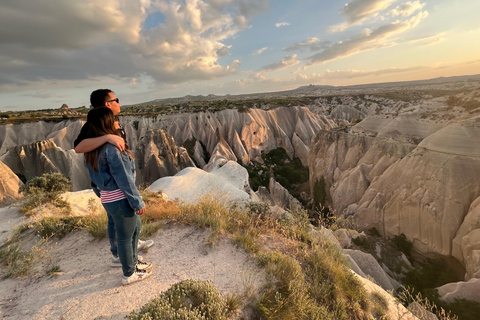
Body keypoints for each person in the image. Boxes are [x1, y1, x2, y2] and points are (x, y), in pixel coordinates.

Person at [74, 89, 153, 267]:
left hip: (115, 185)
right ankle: (120, 255)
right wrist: (107, 137)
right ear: (108, 104)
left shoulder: (111, 122)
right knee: (118, 220)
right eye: (116, 99)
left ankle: (130, 245)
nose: (119, 102)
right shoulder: (94, 125)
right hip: (113, 186)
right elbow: (79, 148)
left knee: (124, 221)